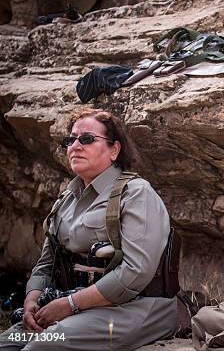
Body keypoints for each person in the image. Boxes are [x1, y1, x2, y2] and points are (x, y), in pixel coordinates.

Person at [0, 109, 177, 350]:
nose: (75, 146)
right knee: (7, 343)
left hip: (134, 307)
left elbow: (136, 272)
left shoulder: (136, 193)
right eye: (70, 140)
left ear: (114, 150)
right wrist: (32, 300)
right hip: (76, 306)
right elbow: (46, 263)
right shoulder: (66, 200)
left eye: (87, 139)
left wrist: (70, 304)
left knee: (43, 346)